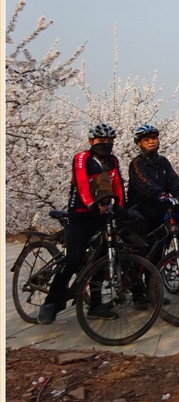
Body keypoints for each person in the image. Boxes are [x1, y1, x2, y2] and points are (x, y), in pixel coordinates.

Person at [38, 123, 126, 325]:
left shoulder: (113, 161)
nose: (105, 144)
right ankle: (50, 303)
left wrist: (120, 206)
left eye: (109, 141)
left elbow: (118, 185)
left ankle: (95, 305)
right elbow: (82, 183)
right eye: (101, 141)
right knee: (74, 258)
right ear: (91, 141)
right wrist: (90, 204)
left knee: (99, 260)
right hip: (80, 214)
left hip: (103, 215)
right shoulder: (82, 158)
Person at [126, 124, 179, 267]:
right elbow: (145, 183)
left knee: (157, 254)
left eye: (154, 138)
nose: (151, 142)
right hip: (140, 211)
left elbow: (174, 181)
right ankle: (136, 285)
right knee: (141, 252)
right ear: (139, 143)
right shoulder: (136, 163)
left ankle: (153, 285)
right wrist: (161, 195)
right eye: (146, 140)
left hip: (159, 211)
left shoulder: (163, 162)